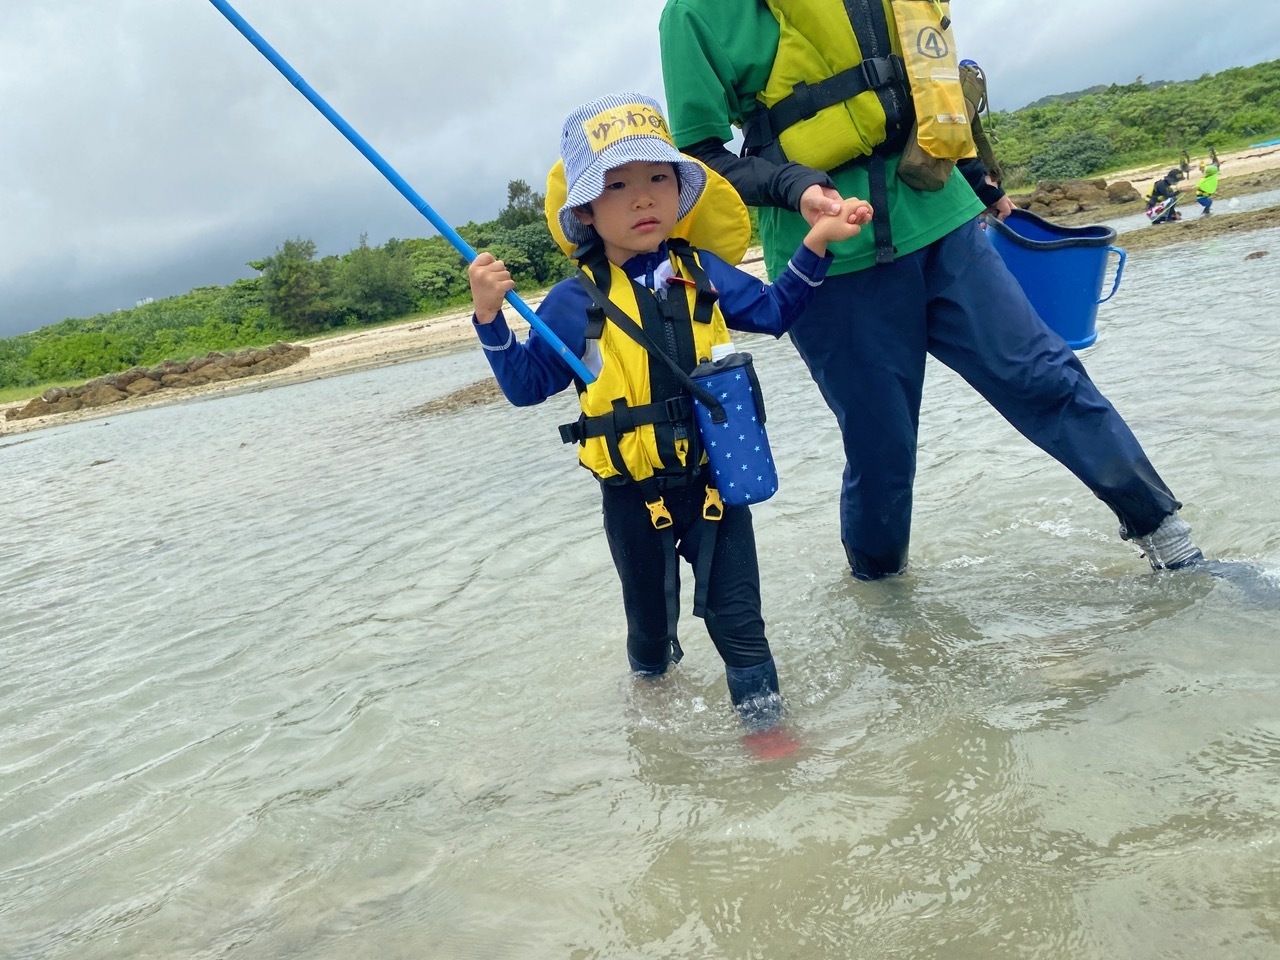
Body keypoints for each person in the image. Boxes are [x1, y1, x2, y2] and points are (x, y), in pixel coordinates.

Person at [659, 0, 1204, 579]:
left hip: (944, 220)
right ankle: (880, 590)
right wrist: (794, 184)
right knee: (882, 452)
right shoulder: (693, 14)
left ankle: (1172, 543)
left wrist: (977, 181)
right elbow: (700, 160)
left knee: (1046, 377)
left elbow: (926, 78)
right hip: (830, 256)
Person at [467, 92, 870, 739]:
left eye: (659, 177)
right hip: (632, 497)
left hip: (717, 483)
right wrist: (489, 318)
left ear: (681, 191)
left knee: (741, 622)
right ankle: (653, 729)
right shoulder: (574, 303)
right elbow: (524, 385)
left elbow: (773, 313)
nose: (644, 197)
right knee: (650, 634)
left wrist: (817, 244)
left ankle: (769, 740)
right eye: (617, 184)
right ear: (586, 210)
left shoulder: (699, 272)